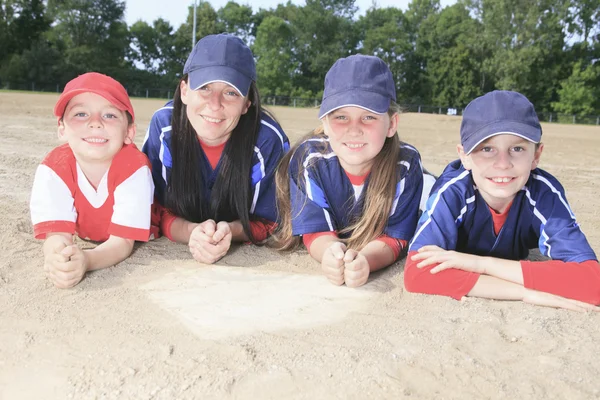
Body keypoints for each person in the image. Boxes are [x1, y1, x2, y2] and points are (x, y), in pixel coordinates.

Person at [405, 90, 600, 311]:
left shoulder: (544, 192)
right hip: (430, 200)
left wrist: (481, 264)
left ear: (536, 155)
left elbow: (593, 282)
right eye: (487, 149)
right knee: (423, 200)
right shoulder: (453, 192)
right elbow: (417, 273)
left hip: (486, 251)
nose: (503, 163)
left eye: (517, 149)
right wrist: (524, 293)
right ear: (464, 156)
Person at [274, 54, 427, 288]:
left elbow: (396, 237)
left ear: (392, 124)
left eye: (368, 117)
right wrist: (330, 254)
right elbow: (316, 231)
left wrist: (366, 260)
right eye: (341, 117)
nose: (354, 130)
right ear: (325, 122)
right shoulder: (309, 159)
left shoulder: (405, 165)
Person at [142, 34, 289, 264]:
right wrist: (190, 231)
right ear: (184, 91)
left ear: (247, 104)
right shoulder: (164, 128)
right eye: (204, 87)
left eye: (230, 92)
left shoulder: (267, 140)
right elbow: (153, 208)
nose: (214, 104)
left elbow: (271, 221)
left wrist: (230, 231)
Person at [30, 72, 156, 289]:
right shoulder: (53, 167)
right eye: (80, 114)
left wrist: (87, 260)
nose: (95, 123)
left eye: (109, 115)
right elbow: (57, 234)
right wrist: (58, 258)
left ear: (129, 132)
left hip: (138, 231)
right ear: (62, 128)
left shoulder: (134, 166)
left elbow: (122, 242)